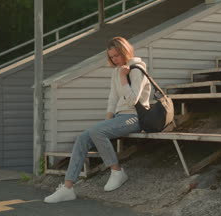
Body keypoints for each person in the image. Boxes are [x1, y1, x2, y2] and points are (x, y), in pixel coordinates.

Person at [44, 36, 151, 203]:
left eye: (117, 55)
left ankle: (117, 172)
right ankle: (68, 188)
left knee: (96, 131)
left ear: (126, 51)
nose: (115, 60)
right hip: (119, 117)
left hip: (135, 118)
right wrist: (108, 118)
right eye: (112, 57)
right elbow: (113, 96)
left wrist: (124, 77)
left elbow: (132, 101)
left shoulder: (137, 69)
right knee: (82, 138)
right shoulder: (117, 71)